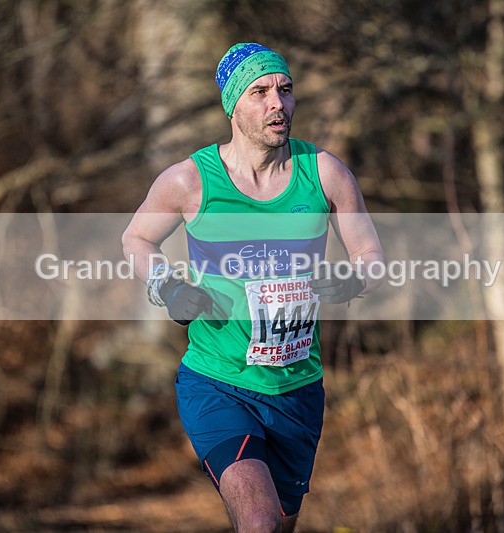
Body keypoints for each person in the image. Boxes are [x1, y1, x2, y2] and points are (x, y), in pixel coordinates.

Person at [122, 43, 384, 532]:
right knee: (259, 523)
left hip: (297, 390)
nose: (277, 104)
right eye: (260, 92)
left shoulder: (324, 173)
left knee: (279, 526)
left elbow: (370, 256)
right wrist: (168, 286)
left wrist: (349, 281)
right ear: (232, 106)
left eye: (285, 90)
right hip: (217, 383)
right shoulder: (190, 181)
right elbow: (136, 238)